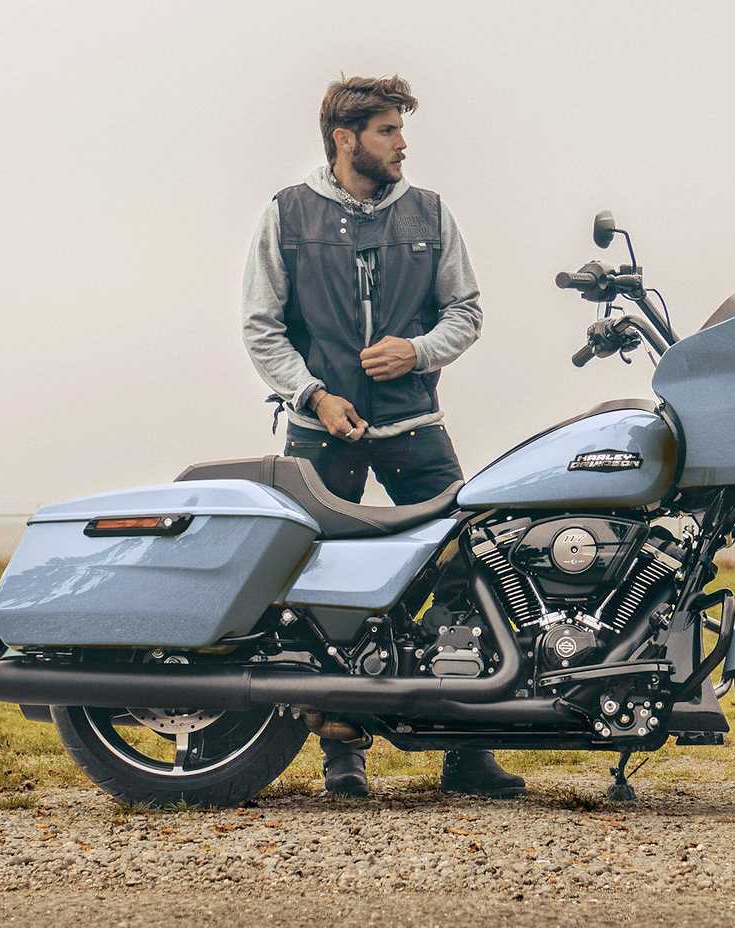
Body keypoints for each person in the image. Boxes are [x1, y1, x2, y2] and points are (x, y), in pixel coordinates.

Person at [240, 74, 525, 799]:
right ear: (346, 139)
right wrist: (313, 395)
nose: (402, 144)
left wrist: (418, 351)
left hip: (415, 428)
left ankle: (466, 744)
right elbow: (262, 327)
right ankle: (343, 750)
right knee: (321, 590)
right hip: (322, 432)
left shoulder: (430, 214)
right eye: (388, 131)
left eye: (400, 129)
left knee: (468, 564)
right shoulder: (287, 214)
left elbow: (465, 309)